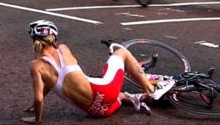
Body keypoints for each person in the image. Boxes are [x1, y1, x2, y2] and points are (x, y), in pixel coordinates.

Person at [21, 20, 175, 124]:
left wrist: (37, 119)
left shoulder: (36, 66)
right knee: (121, 52)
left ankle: (136, 98)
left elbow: (42, 93)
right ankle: (151, 90)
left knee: (116, 94)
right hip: (105, 91)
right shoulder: (63, 49)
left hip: (99, 111)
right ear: (53, 37)